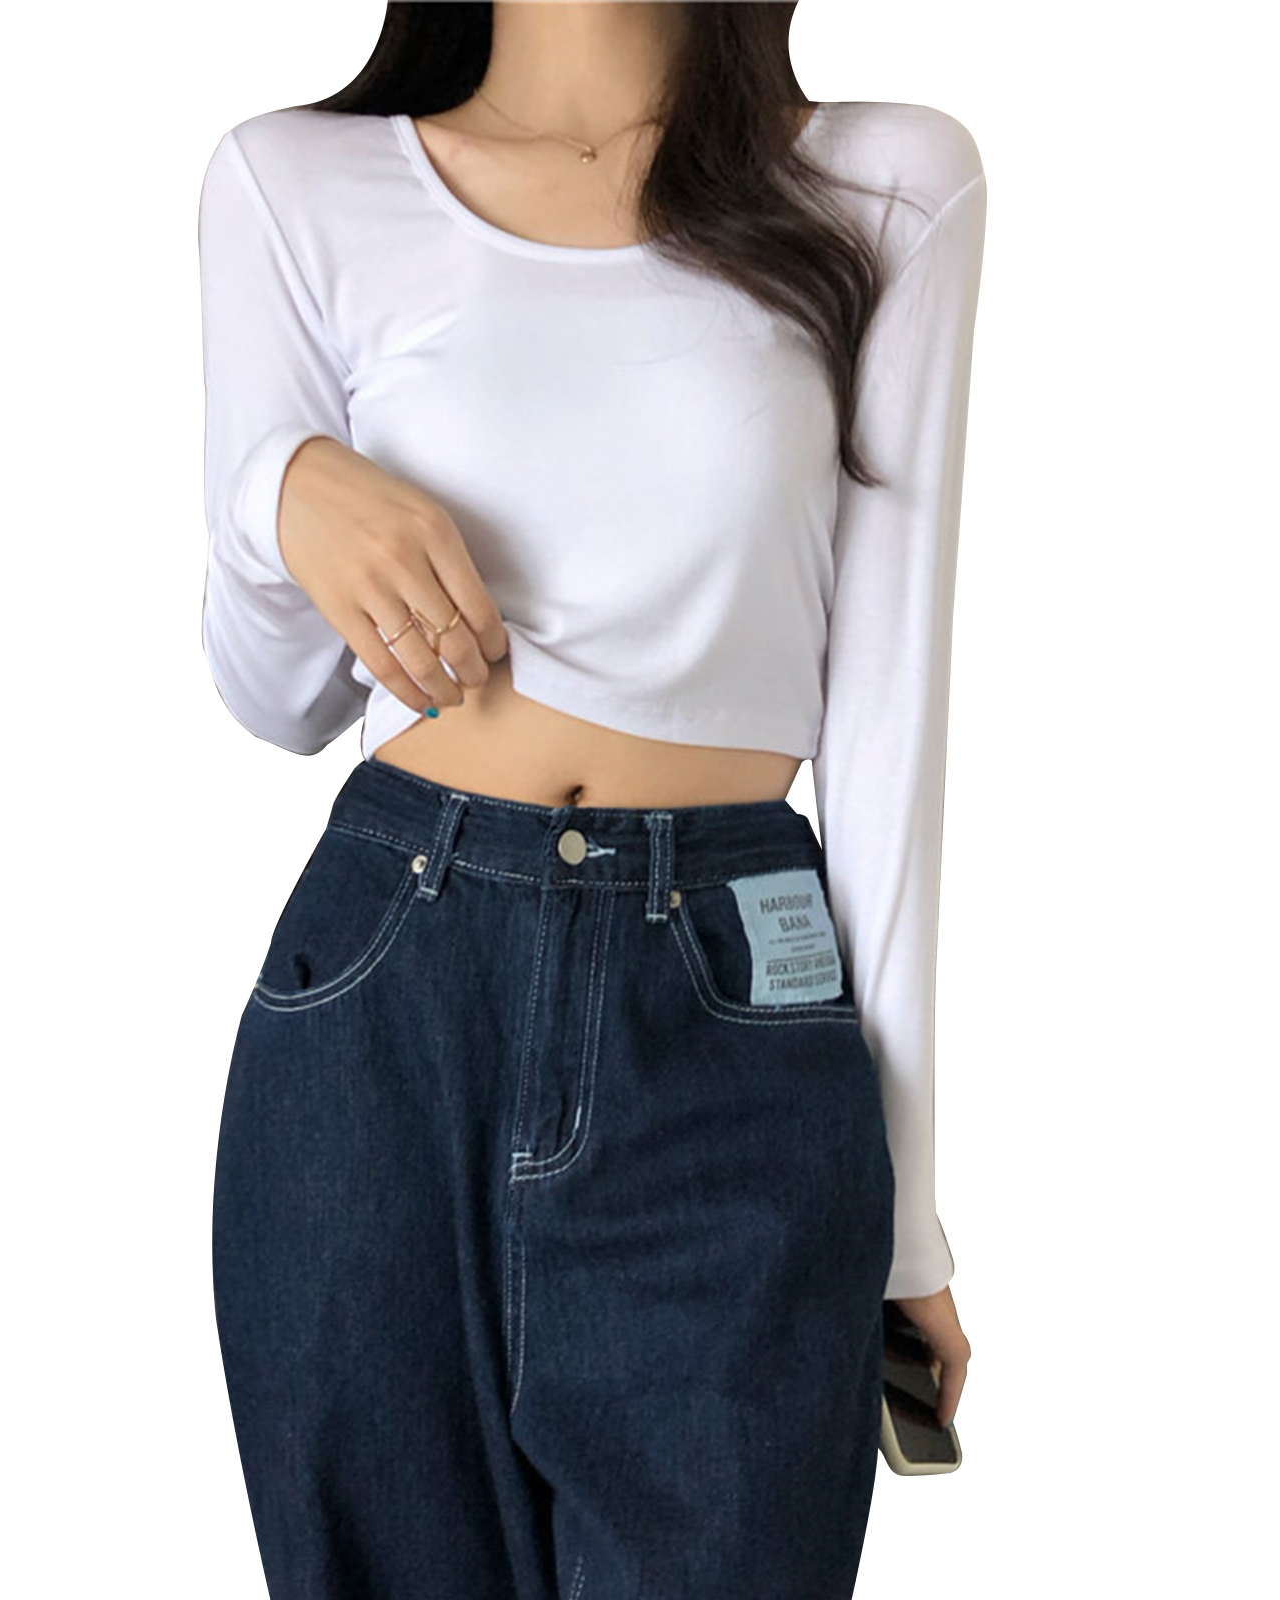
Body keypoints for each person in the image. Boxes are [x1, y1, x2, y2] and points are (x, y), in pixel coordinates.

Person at [197, 4, 984, 1596]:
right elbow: (276, 698)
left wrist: (903, 1215)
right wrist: (278, 490)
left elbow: (889, 714)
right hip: (382, 1005)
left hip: (730, 1015)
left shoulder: (888, 185)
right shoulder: (292, 183)